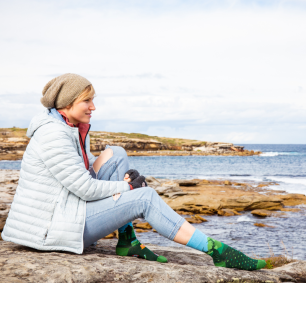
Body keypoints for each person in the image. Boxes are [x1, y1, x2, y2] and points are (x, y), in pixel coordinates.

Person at [2, 73, 266, 271]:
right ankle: (217, 250)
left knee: (115, 154)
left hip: (66, 212)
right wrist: (129, 188)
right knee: (145, 197)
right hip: (52, 230)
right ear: (67, 103)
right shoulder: (54, 134)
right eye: (87, 100)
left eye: (93, 100)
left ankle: (126, 240)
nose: (93, 106)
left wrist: (120, 178)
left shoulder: (68, 126)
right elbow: (84, 188)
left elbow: (82, 168)